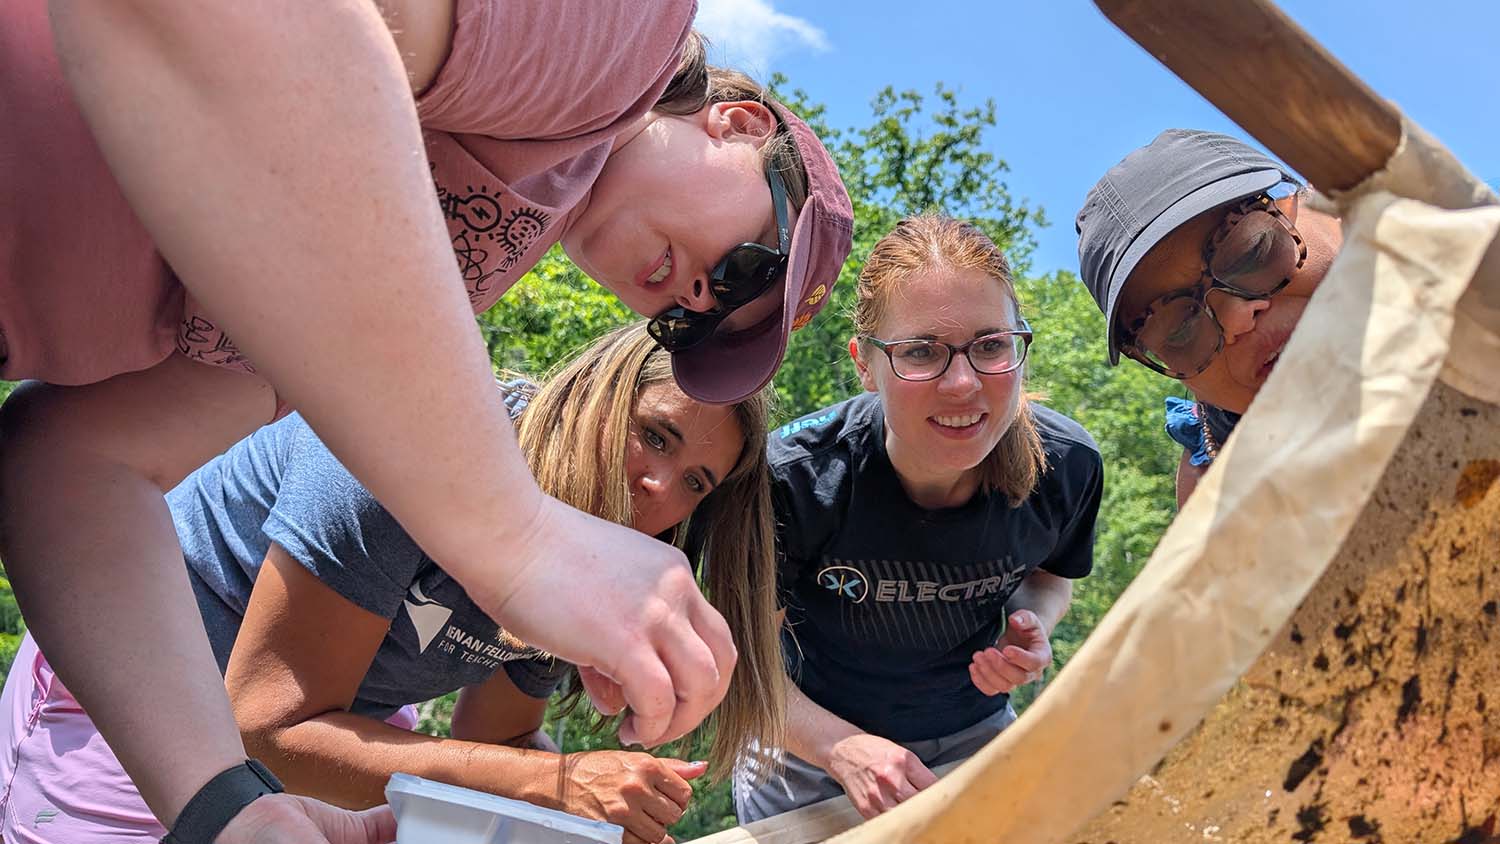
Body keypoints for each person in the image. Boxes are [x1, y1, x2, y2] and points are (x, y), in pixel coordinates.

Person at [0, 0, 852, 839]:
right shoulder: (623, 43)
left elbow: (73, 460)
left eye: (698, 330)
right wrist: (514, 538)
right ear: (737, 124)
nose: (698, 301)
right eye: (746, 270)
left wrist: (228, 812)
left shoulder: (438, 279)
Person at [0, 323, 784, 844]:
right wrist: (555, 782)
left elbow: (497, 743)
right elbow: (262, 728)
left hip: (347, 728)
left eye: (696, 482)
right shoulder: (411, 445)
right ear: (592, 394)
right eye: (654, 434)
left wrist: (602, 808)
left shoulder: (596, 569)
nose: (658, 487)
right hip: (137, 696)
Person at [733, 216, 1104, 823]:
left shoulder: (1066, 466)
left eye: (991, 345)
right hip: (807, 753)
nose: (962, 383)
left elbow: (1050, 577)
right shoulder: (791, 480)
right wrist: (842, 749)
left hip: (976, 737)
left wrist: (1029, 621)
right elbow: (739, 668)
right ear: (864, 363)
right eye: (921, 352)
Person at [1074, 129, 1343, 507]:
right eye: (1182, 332)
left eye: (1253, 252)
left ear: (1327, 206)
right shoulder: (1216, 498)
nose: (1236, 318)